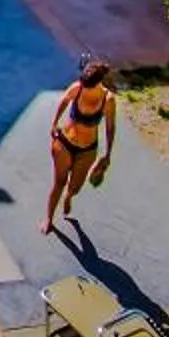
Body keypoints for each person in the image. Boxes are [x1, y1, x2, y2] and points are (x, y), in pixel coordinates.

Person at [45, 57, 117, 233]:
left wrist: (108, 154)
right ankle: (48, 219)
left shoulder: (108, 100)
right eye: (83, 84)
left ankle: (69, 197)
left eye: (89, 86)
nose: (85, 88)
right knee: (58, 182)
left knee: (75, 187)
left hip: (87, 149)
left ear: (99, 82)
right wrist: (54, 123)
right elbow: (64, 101)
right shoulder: (77, 88)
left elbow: (110, 128)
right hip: (65, 142)